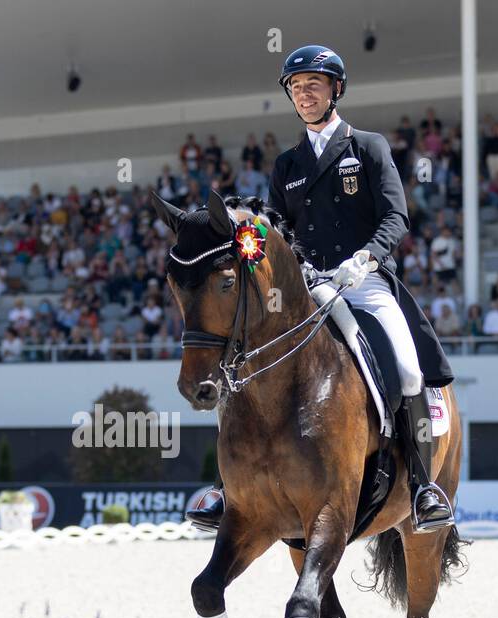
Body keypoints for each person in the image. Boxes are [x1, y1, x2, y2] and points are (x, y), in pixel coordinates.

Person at [184, 44, 455, 535]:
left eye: (313, 85)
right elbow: (276, 228)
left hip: (362, 280)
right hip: (305, 288)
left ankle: (421, 487)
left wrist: (366, 257)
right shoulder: (287, 164)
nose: (303, 94)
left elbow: (397, 216)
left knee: (411, 370)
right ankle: (230, 488)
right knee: (242, 363)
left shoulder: (367, 147)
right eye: (295, 87)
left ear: (335, 90)